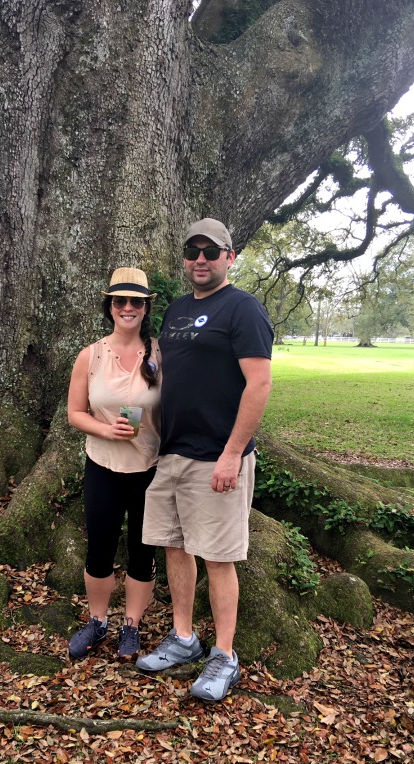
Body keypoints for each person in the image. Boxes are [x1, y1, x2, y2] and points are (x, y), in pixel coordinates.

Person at [137, 218, 273, 702]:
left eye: (211, 252)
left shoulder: (244, 309)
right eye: (193, 250)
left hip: (217, 458)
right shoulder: (174, 310)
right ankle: (183, 638)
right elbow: (167, 371)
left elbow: (259, 384)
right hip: (172, 454)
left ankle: (224, 656)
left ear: (230, 257)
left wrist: (233, 453)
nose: (200, 259)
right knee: (175, 548)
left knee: (218, 558)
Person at [67, 267, 161, 659]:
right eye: (119, 300)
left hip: (151, 469)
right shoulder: (90, 355)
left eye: (135, 301)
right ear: (109, 306)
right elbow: (75, 412)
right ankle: (98, 621)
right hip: (102, 465)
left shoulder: (161, 352)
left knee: (142, 551)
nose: (127, 307)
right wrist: (106, 431)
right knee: (100, 548)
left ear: (144, 307)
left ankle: (132, 626)